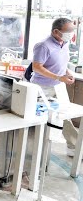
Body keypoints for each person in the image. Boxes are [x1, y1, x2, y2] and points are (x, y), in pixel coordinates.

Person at [30, 17, 78, 156]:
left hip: (59, 86)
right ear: (56, 31)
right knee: (40, 119)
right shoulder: (43, 46)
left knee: (64, 115)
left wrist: (67, 73)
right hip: (42, 87)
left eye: (72, 31)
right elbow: (37, 67)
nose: (71, 34)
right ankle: (35, 151)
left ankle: (73, 147)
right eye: (69, 31)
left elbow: (61, 63)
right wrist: (59, 77)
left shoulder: (64, 43)